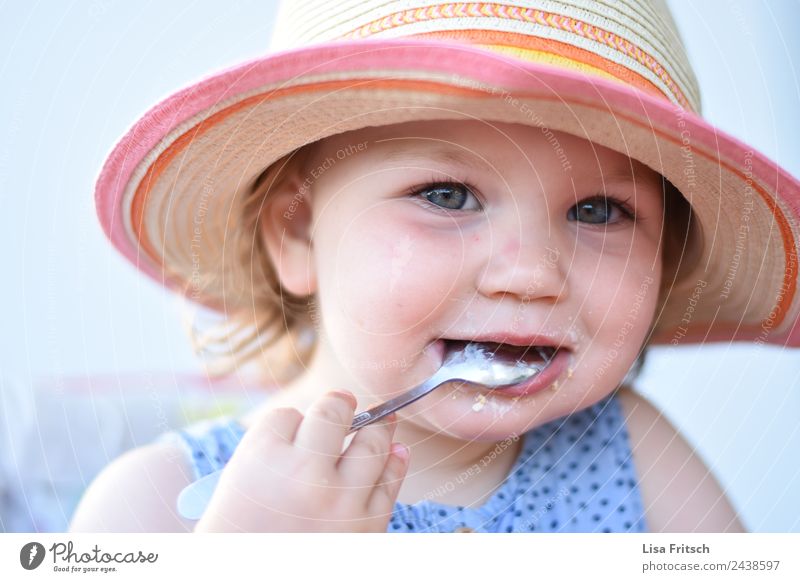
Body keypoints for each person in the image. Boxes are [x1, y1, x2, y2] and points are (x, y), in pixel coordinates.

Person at [69, 0, 799, 533]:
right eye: (447, 196)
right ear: (295, 234)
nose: (531, 274)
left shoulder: (634, 455)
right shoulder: (159, 504)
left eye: (600, 211)